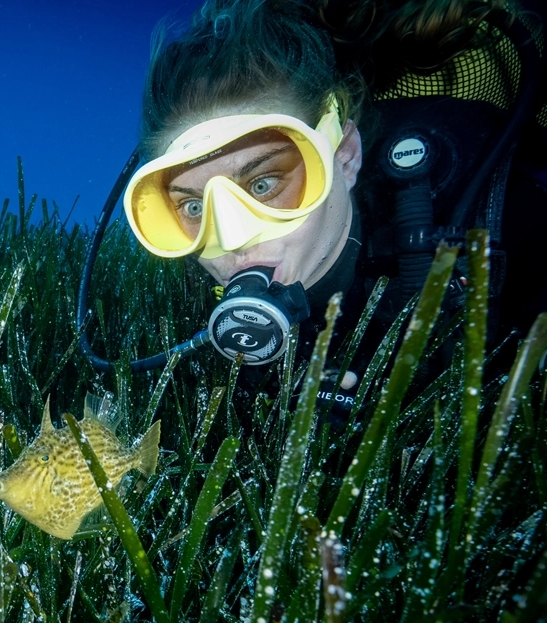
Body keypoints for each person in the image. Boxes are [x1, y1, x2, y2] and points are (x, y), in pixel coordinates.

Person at [97, 0, 547, 423]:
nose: (231, 238)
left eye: (263, 183)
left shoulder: (499, 209)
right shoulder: (189, 296)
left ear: (345, 156)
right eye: (193, 205)